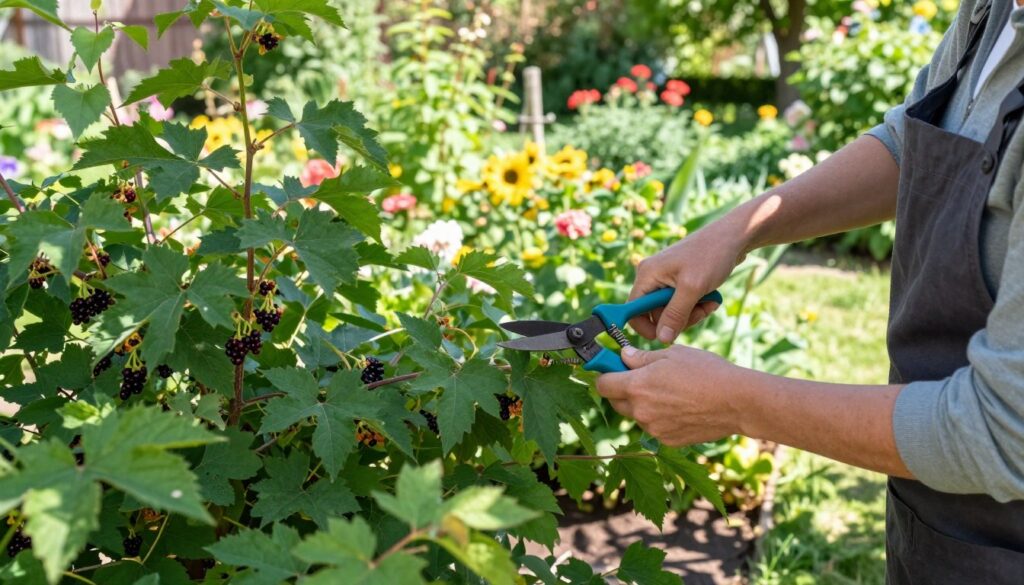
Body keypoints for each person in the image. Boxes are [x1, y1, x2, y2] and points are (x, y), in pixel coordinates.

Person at [595, 0, 1024, 581]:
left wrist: (736, 402)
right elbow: (918, 137)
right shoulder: (993, 11)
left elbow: (1000, 427)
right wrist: (742, 228)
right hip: (939, 522)